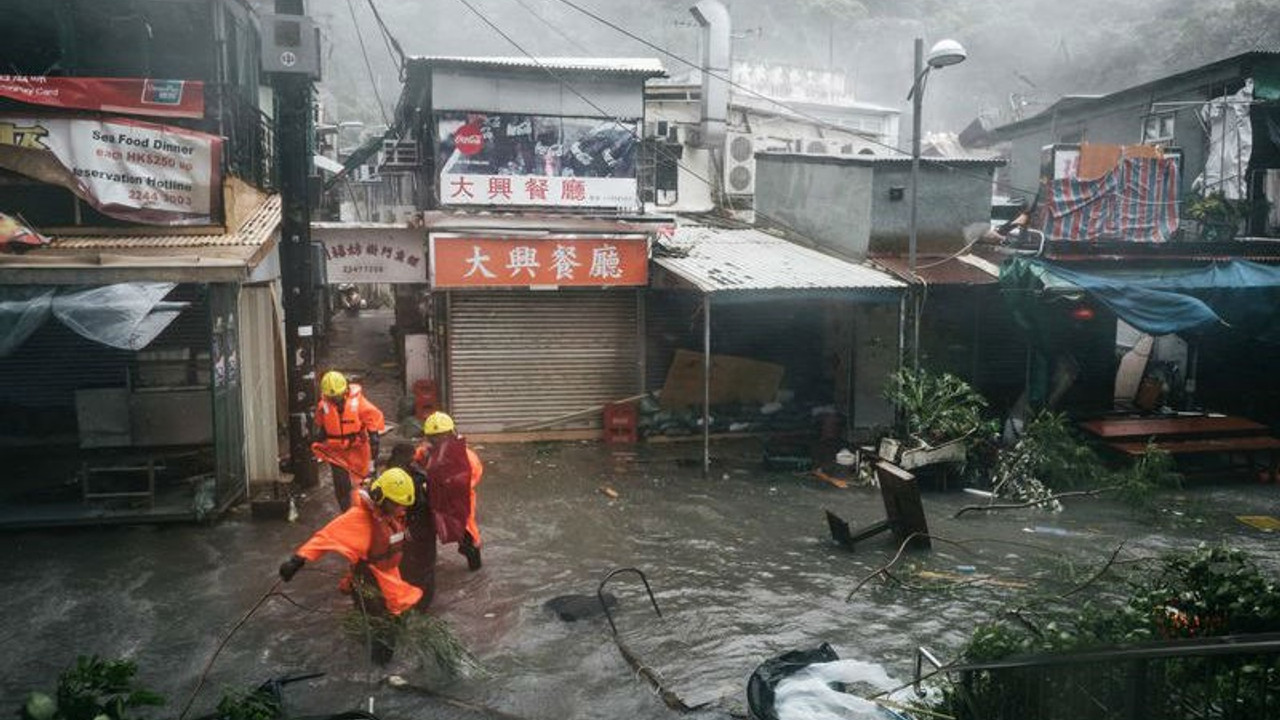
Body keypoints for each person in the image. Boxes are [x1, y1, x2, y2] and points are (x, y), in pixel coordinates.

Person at [278, 468, 424, 664]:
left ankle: (376, 651)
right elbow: (326, 537)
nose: (403, 510)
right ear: (383, 499)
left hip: (390, 577)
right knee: (383, 628)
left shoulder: (393, 515)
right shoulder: (360, 518)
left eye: (405, 506)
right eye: (399, 505)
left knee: (393, 619)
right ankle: (379, 667)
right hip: (368, 581)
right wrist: (297, 561)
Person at [412, 411, 483, 571]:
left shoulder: (467, 458)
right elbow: (414, 464)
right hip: (432, 499)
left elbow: (471, 479)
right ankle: (425, 566)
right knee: (423, 535)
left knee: (468, 539)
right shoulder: (424, 453)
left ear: (452, 434)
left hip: (459, 502)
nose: (439, 441)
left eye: (443, 436)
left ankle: (475, 566)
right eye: (435, 438)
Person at [311, 370, 385, 510]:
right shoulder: (323, 407)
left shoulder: (360, 405)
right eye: (331, 397)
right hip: (337, 452)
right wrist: (315, 445)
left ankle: (368, 512)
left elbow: (374, 434)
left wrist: (373, 461)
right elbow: (321, 430)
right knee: (341, 486)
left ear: (345, 391)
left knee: (364, 484)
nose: (334, 400)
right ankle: (346, 513)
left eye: (337, 397)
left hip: (358, 449)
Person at [386, 442, 436, 607]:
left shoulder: (391, 476)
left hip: (411, 528)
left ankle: (416, 603)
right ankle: (419, 603)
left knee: (412, 567)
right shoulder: (417, 476)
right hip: (414, 528)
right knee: (420, 568)